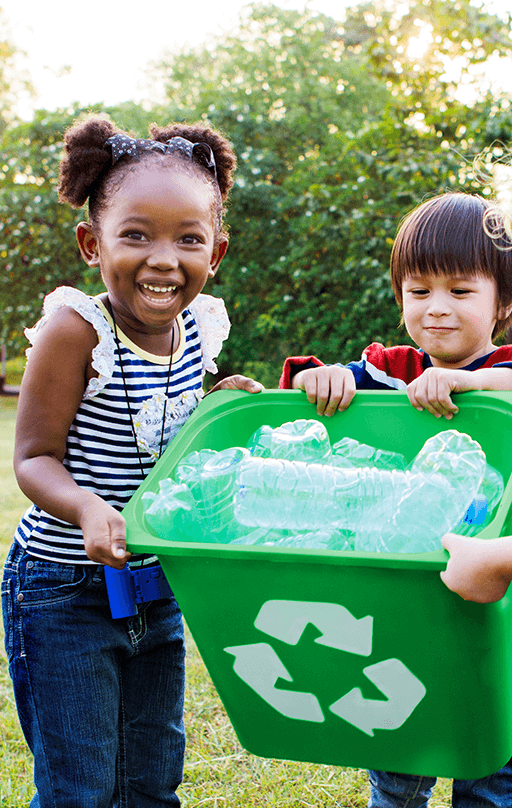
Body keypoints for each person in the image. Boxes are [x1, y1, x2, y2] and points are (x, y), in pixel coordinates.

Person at [1, 114, 262, 808]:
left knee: (151, 778)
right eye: (136, 235)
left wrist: (225, 408)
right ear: (93, 243)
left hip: (155, 586)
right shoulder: (75, 330)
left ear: (218, 253)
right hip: (65, 590)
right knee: (80, 788)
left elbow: (173, 434)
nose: (163, 259)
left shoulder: (201, 328)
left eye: (189, 239)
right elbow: (32, 458)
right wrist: (88, 506)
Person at [280, 192, 512, 808]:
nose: (436, 309)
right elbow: (313, 389)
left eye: (461, 292)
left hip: (495, 592)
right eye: (418, 291)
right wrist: (317, 377)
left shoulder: (504, 367)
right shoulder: (393, 368)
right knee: (400, 746)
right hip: (400, 593)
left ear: (504, 303)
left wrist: (472, 379)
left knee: (493, 756)